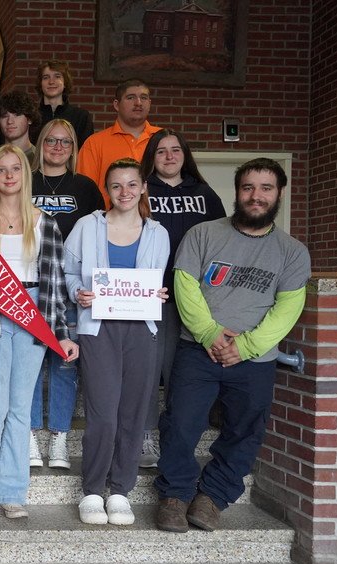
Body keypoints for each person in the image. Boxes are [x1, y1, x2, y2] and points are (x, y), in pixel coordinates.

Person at [154, 158, 310, 533]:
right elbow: (185, 287)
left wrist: (247, 346)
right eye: (248, 188)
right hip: (198, 349)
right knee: (180, 423)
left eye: (266, 188)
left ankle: (212, 497)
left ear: (280, 194)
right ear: (237, 192)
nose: (256, 196)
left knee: (246, 429)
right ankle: (174, 495)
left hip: (254, 359)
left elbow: (288, 307)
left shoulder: (292, 252)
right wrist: (210, 334)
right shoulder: (204, 234)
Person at [0, 144, 79, 521]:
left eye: (15, 169)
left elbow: (55, 284)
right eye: (1, 169)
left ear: (25, 175)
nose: (9, 175)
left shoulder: (44, 223)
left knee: (18, 409)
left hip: (34, 314)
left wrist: (62, 333)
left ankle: (13, 492)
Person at [63, 158, 169, 526]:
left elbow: (155, 282)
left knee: (133, 414)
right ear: (107, 191)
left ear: (143, 188)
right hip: (98, 329)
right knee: (103, 415)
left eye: (131, 184)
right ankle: (93, 489)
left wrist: (159, 294)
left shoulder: (157, 233)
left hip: (142, 330)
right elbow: (69, 271)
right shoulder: (86, 226)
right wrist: (79, 292)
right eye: (116, 186)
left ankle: (121, 489)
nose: (124, 192)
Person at [137, 129, 226, 468]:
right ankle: (145, 432)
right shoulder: (141, 189)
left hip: (192, 300)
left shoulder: (204, 194)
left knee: (181, 372)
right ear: (152, 156)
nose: (170, 156)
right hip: (150, 295)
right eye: (161, 151)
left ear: (185, 155)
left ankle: (174, 434)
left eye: (176, 150)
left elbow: (223, 243)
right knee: (147, 369)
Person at [29, 119, 103, 469]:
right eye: (51, 141)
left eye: (66, 142)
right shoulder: (24, 180)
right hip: (28, 284)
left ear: (74, 148)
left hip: (71, 288)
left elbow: (99, 236)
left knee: (63, 363)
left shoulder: (86, 187)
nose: (58, 148)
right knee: (29, 363)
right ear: (40, 143)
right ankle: (27, 435)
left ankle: (59, 438)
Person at [77, 79, 161, 209]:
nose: (138, 103)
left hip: (158, 219)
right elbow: (84, 192)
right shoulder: (95, 143)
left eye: (143, 98)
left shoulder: (164, 139)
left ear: (149, 103)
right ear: (116, 104)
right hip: (108, 221)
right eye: (130, 97)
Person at [34, 60, 94, 148]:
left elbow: (85, 153)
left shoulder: (81, 117)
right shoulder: (32, 116)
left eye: (57, 76)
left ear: (65, 82)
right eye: (46, 77)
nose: (51, 82)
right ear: (40, 83)